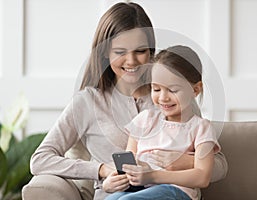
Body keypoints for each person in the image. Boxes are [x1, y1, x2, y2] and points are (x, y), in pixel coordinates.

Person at [30, 2, 227, 199]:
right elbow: (40, 160)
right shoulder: (87, 102)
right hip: (115, 193)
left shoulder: (175, 98)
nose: (131, 61)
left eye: (140, 51)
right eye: (120, 52)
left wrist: (181, 162)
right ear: (105, 53)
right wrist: (101, 170)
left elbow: (219, 166)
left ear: (151, 51)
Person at [104, 45, 220, 200]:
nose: (163, 98)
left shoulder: (201, 128)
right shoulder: (144, 120)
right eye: (156, 89)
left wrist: (153, 176)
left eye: (172, 90)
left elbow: (202, 177)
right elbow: (130, 164)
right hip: (140, 190)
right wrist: (111, 182)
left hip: (176, 191)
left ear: (195, 90)